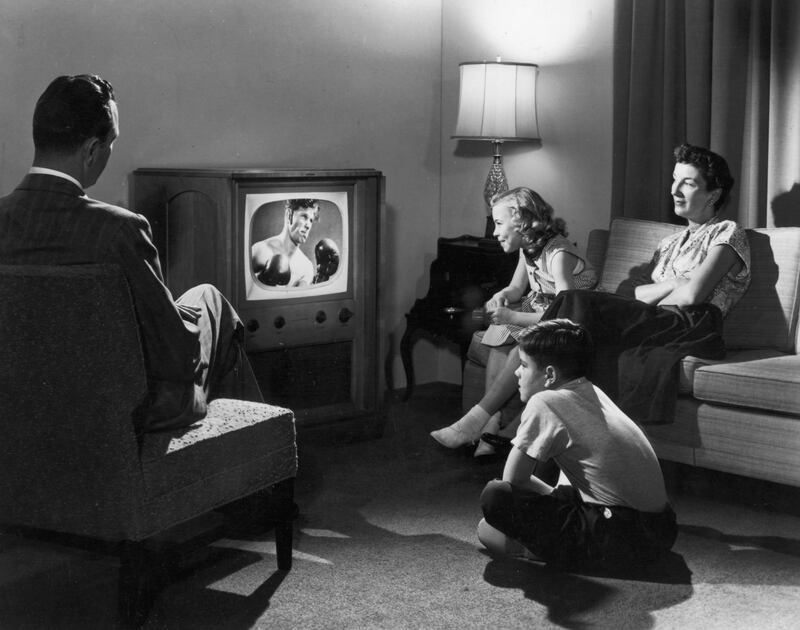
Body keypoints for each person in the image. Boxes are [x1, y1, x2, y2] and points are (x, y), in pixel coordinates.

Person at [0, 74, 263, 434]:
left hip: (23, 409)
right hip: (125, 414)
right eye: (112, 144)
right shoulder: (119, 229)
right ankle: (254, 461)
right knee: (211, 301)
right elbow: (173, 354)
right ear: (92, 150)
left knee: (193, 307)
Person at [538, 143, 751, 425]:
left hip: (692, 325)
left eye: (687, 183)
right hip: (656, 319)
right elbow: (628, 293)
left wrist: (662, 293)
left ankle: (502, 417)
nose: (674, 190)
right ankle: (556, 421)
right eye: (674, 179)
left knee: (574, 302)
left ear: (713, 194)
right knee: (571, 325)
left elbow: (691, 296)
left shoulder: (727, 232)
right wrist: (674, 282)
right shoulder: (668, 244)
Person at [477, 319, 678, 569]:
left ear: (550, 374)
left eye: (524, 365)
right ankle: (544, 544)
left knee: (495, 498)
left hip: (622, 535)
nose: (517, 372)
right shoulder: (591, 391)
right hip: (662, 528)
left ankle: (532, 550)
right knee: (550, 487)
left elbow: (513, 481)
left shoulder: (546, 402)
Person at [430, 187, 597, 454]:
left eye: (499, 223)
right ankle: (489, 427)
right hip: (544, 315)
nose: (495, 232)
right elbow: (516, 289)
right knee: (496, 342)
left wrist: (513, 316)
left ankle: (472, 423)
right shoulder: (528, 248)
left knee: (519, 350)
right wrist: (501, 296)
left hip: (572, 324)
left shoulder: (558, 253)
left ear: (521, 223)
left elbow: (565, 311)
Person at [251, 199, 320, 287]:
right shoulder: (260, 250)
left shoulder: (307, 267)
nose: (308, 225)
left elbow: (298, 299)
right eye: (304, 216)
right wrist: (262, 279)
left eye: (311, 220)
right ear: (289, 215)